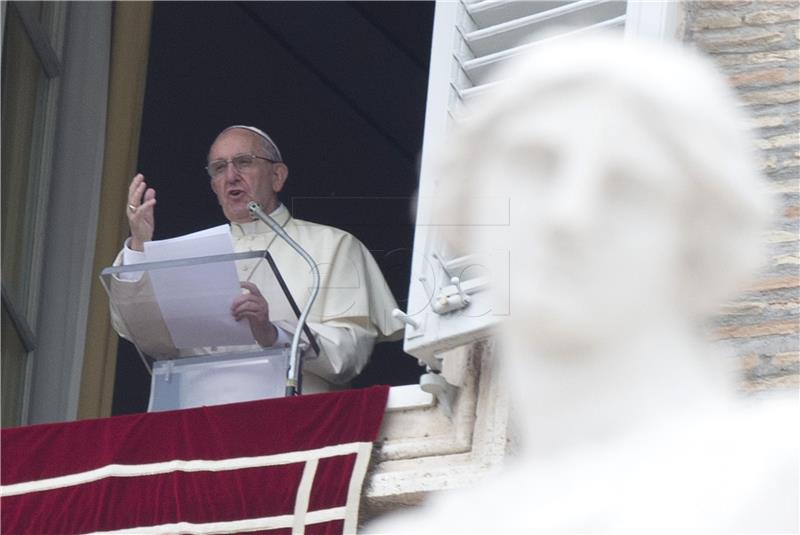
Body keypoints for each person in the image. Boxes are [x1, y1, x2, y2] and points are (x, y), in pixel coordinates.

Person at [368, 33, 798, 533]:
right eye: (537, 163)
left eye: (627, 182)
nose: (569, 212)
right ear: (466, 203)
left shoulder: (780, 478)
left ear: (698, 239)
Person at [112, 125, 403, 395]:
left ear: (277, 176)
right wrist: (139, 245)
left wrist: (273, 334)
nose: (231, 176)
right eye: (219, 168)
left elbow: (349, 355)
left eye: (244, 162)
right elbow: (142, 333)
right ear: (214, 186)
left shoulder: (333, 245)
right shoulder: (191, 253)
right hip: (199, 417)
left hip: (295, 422)